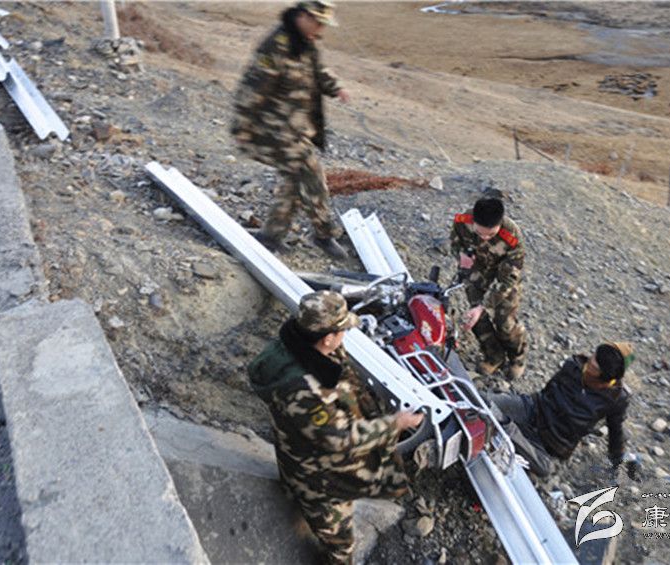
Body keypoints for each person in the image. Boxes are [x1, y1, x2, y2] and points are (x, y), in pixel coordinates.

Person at [248, 291, 423, 564]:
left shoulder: (296, 342)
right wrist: (396, 423)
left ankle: (295, 493)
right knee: (340, 541)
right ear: (327, 338)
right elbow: (339, 439)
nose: (344, 337)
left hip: (292, 447)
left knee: (292, 478)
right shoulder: (305, 391)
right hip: (318, 479)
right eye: (342, 332)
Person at [232, 1, 350, 259]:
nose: (321, 29)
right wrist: (242, 127)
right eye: (318, 23)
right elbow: (252, 87)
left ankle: (271, 236)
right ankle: (324, 234)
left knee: (293, 181)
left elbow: (317, 71)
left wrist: (336, 87)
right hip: (271, 129)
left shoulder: (306, 42)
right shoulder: (276, 45)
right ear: (303, 16)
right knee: (311, 174)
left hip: (296, 129)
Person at [488, 342, 635, 478]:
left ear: (606, 376)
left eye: (595, 365)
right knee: (485, 401)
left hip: (553, 443)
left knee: (544, 468)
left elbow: (616, 432)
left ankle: (505, 426)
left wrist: (617, 461)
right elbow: (547, 390)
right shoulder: (574, 365)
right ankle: (508, 430)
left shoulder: (616, 399)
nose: (590, 361)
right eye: (594, 356)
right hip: (533, 410)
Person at [450, 195, 529, 380]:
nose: (484, 238)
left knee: (505, 323)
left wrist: (483, 306)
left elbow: (508, 280)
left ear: (500, 224)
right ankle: (494, 356)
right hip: (476, 273)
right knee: (477, 319)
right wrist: (461, 255)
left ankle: (517, 357)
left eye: (491, 235)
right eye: (480, 233)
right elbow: (455, 243)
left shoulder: (512, 238)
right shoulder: (462, 222)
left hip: (503, 278)